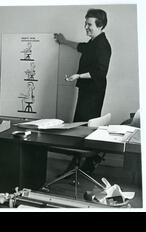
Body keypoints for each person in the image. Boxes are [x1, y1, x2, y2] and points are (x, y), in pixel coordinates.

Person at [55, 9, 112, 175]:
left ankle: (80, 166)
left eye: (89, 24)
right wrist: (64, 41)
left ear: (100, 25)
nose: (85, 27)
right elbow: (81, 47)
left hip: (93, 93)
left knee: (83, 128)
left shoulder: (103, 45)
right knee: (80, 126)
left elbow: (100, 73)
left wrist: (78, 75)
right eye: (85, 23)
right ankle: (79, 165)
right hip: (88, 91)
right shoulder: (94, 42)